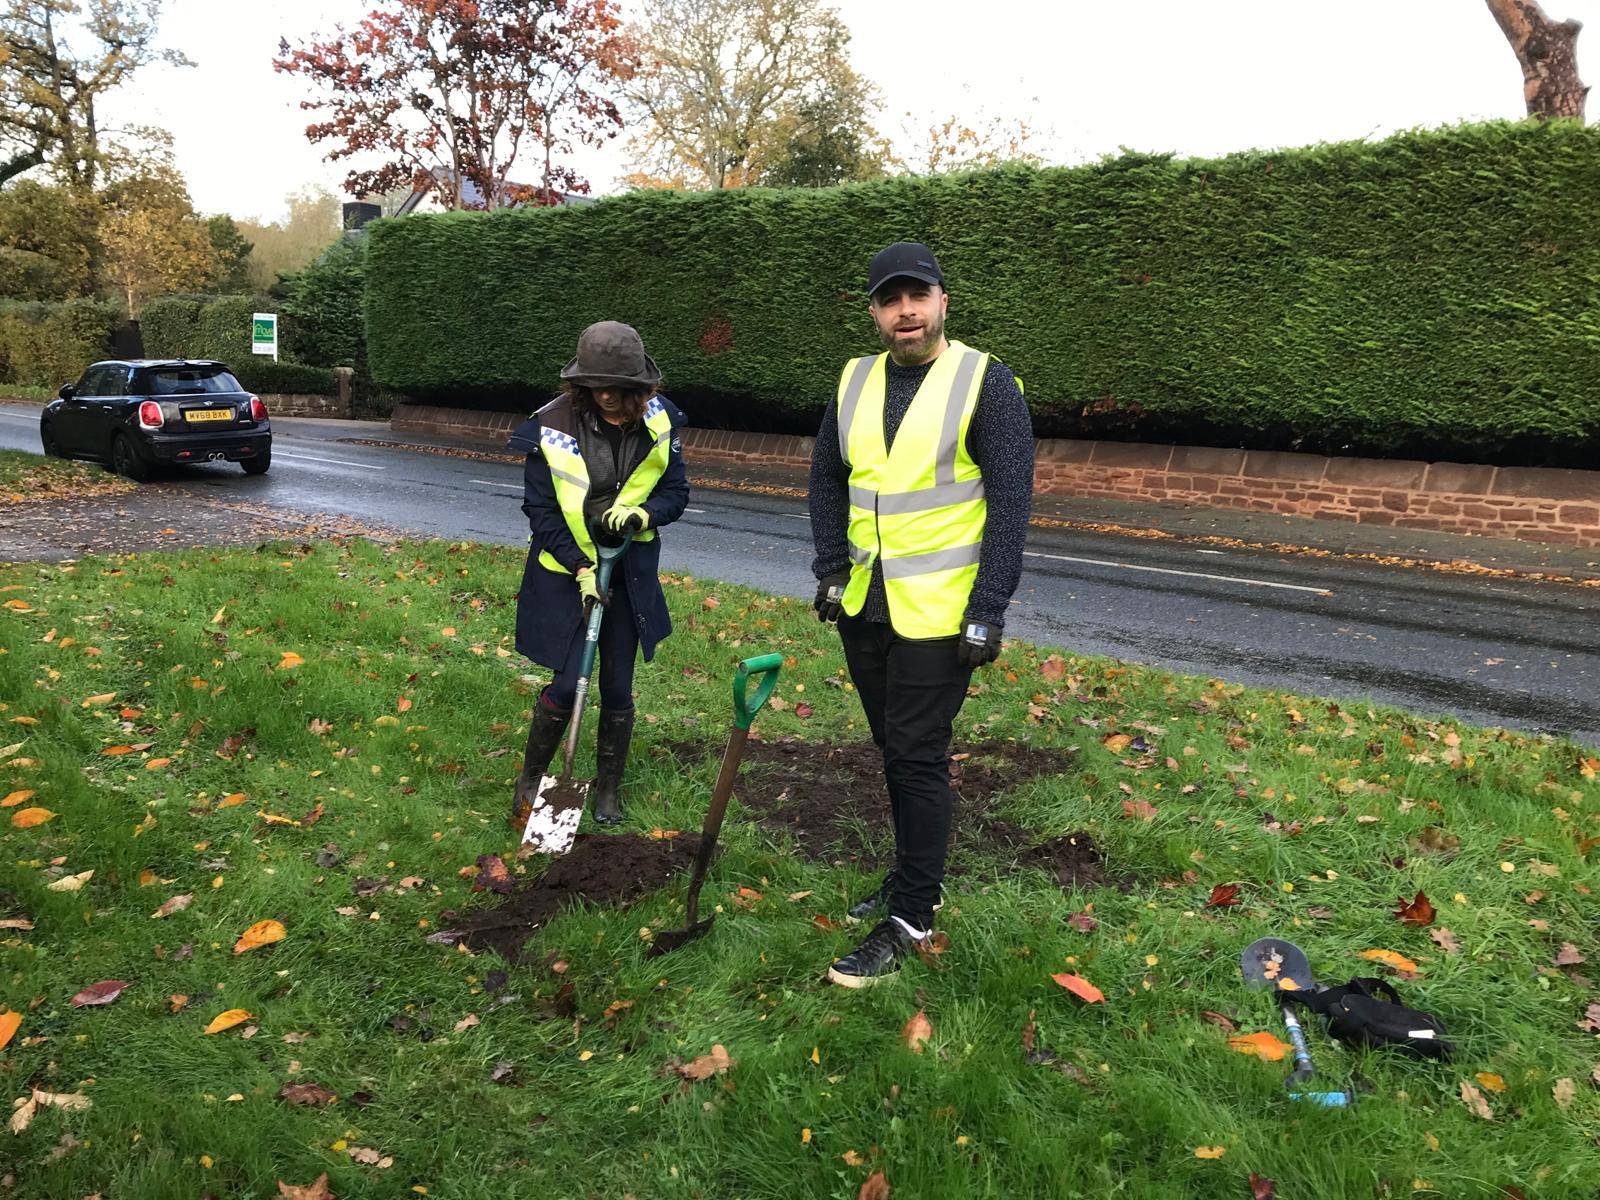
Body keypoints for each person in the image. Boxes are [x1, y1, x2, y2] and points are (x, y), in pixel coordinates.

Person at [809, 241, 1035, 988]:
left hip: (943, 613)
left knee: (916, 753)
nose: (905, 310)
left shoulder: (985, 383)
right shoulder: (854, 380)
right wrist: (831, 570)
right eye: (889, 299)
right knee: (893, 749)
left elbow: (1010, 504)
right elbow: (826, 480)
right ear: (874, 312)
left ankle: (911, 915)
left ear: (943, 302)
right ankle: (911, 878)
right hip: (866, 604)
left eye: (918, 295)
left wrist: (989, 608)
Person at [508, 321, 689, 829]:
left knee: (618, 685)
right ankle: (533, 779)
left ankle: (607, 788)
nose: (607, 396)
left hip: (629, 570)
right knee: (567, 684)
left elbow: (676, 492)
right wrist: (581, 566)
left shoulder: (661, 420)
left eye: (619, 388)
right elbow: (539, 510)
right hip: (568, 571)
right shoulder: (551, 427)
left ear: (641, 387)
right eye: (596, 386)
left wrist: (644, 516)